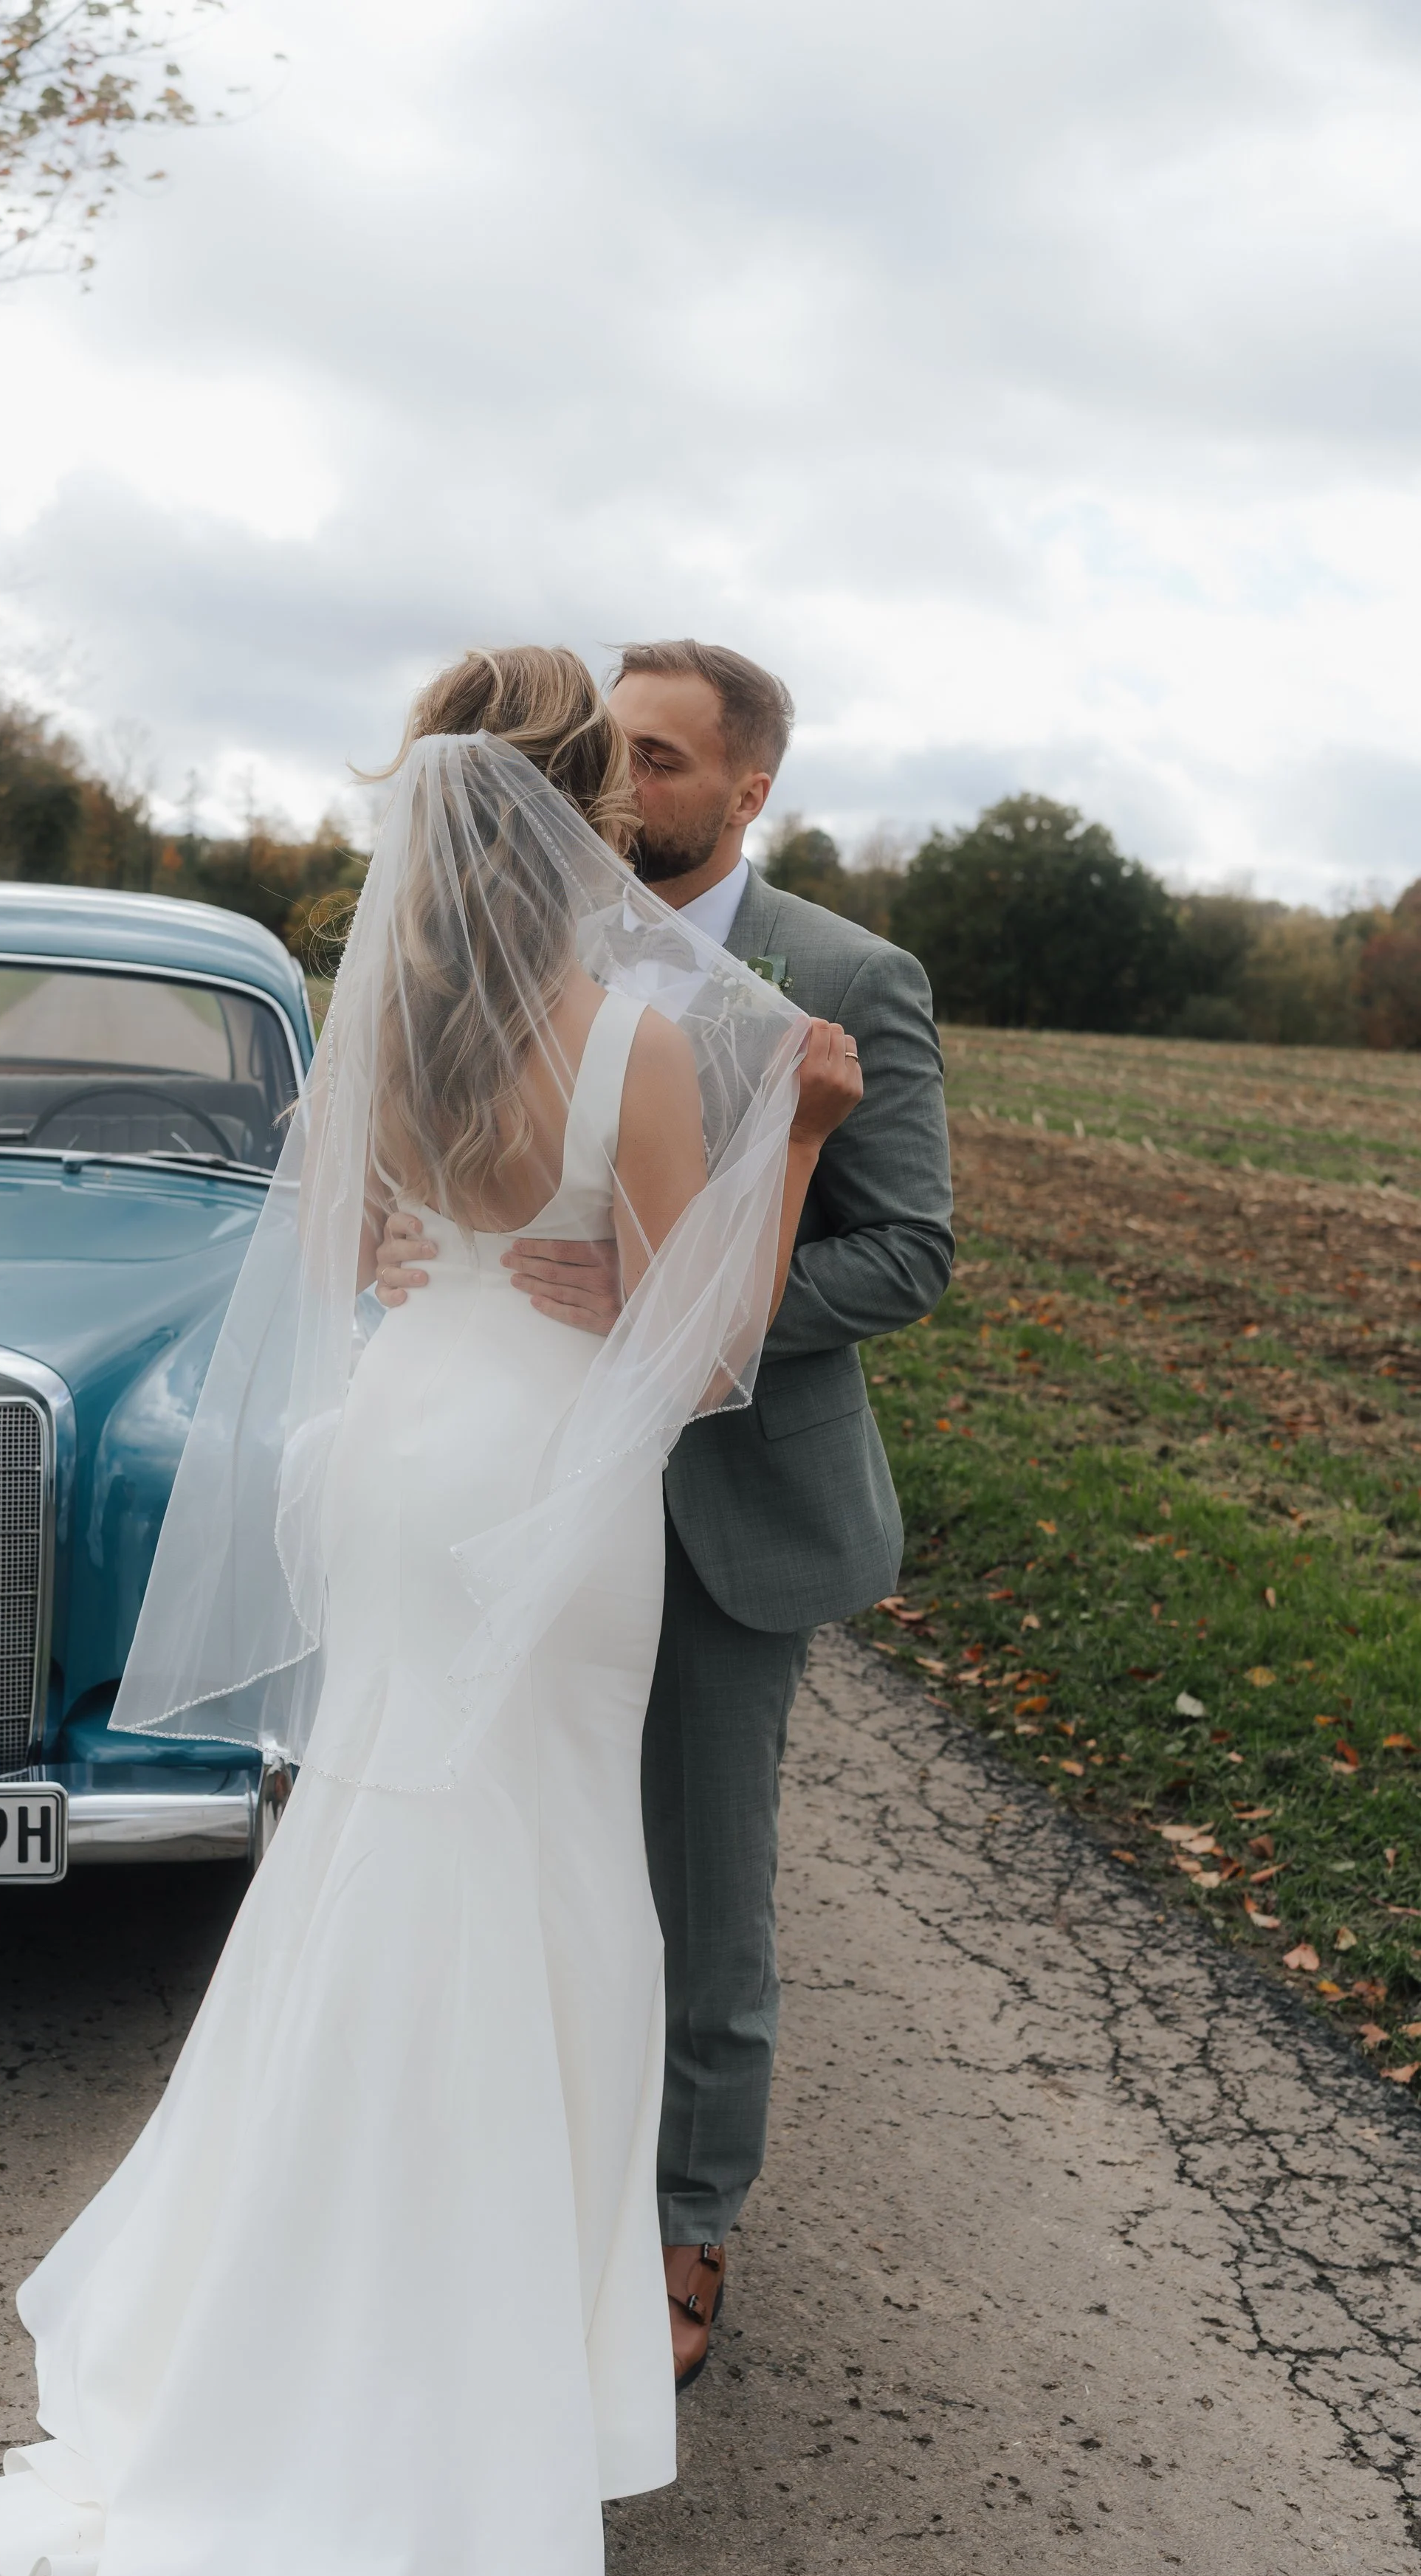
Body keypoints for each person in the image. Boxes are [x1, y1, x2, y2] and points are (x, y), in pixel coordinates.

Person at [0, 647, 862, 2576]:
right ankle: (465, 2366)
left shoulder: (391, 1027)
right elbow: (700, 1353)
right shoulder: (635, 1041)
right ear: (582, 813)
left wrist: (456, 1256)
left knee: (378, 1853)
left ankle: (297, 2297)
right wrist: (786, 1148)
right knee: (542, 1885)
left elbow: (344, 1260)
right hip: (539, 1488)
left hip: (399, 1452)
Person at [375, 641, 952, 2386]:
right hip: (507, 1482)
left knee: (702, 1897)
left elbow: (905, 1252)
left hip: (716, 1509)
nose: (624, 788)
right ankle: (506, 2194)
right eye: (610, 754)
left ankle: (682, 2227)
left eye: (663, 761)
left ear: (748, 789)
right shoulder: (503, 948)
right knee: (506, 1851)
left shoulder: (843, 975)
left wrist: (662, 1298)